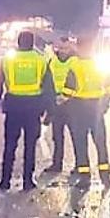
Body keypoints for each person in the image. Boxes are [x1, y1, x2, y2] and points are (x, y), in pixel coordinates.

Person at [0, 30, 55, 190]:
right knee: (30, 146)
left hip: (13, 107)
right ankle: (28, 181)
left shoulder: (6, 60)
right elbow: (49, 88)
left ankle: (5, 181)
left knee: (10, 145)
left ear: (18, 42)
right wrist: (50, 111)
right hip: (33, 108)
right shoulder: (41, 60)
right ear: (32, 43)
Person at [62, 35, 110, 188]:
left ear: (78, 47)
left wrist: (60, 102)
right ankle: (105, 177)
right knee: (100, 143)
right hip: (96, 108)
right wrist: (106, 103)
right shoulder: (101, 64)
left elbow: (68, 90)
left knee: (81, 143)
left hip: (79, 108)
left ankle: (85, 178)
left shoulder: (74, 65)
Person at [45, 36, 76, 173]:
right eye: (61, 47)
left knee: (76, 136)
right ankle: (57, 164)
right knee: (57, 137)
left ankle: (79, 165)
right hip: (56, 102)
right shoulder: (51, 61)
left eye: (66, 48)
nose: (63, 51)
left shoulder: (75, 61)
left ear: (71, 47)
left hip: (72, 103)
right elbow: (46, 82)